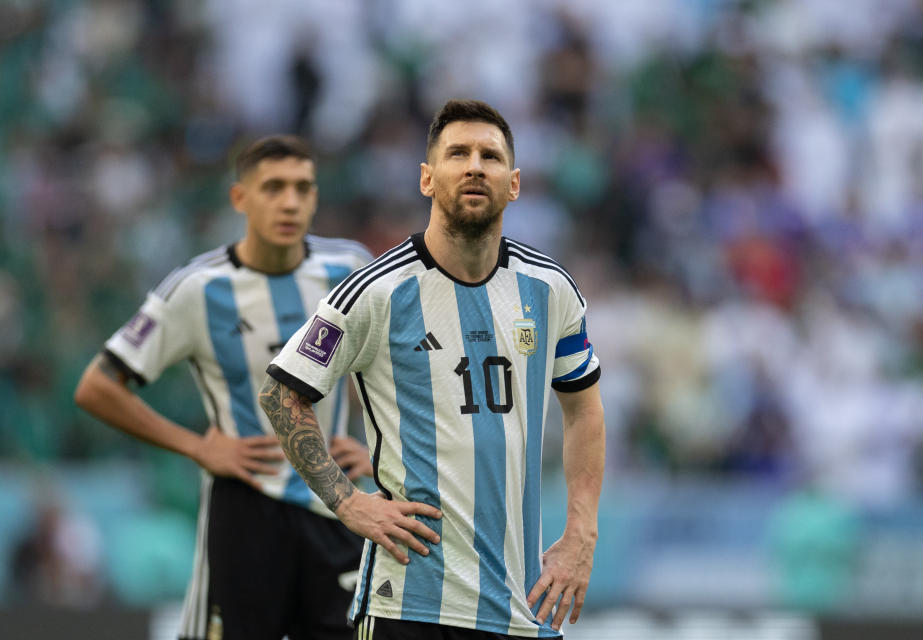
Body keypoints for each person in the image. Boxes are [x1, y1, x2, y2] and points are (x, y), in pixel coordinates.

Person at [259, 100, 606, 639]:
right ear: (427, 178)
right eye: (457, 153)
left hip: (523, 605)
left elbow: (584, 408)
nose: (474, 166)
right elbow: (282, 393)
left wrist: (581, 531)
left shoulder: (550, 289)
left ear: (513, 184)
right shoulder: (374, 292)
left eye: (490, 156)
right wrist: (347, 504)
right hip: (411, 605)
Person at [74, 135, 375, 640]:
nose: (290, 202)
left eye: (303, 188)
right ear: (240, 199)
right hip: (245, 505)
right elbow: (96, 386)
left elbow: (401, 364)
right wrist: (197, 446)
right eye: (273, 187)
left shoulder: (350, 270)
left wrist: (377, 450)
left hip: (335, 503)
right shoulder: (198, 288)